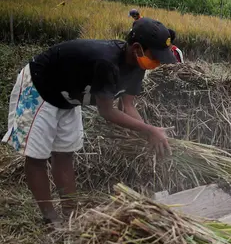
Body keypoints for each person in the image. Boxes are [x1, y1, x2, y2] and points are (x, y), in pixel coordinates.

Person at [3, 17, 176, 226]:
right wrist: (150, 130)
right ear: (137, 48)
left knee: (65, 152)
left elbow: (127, 106)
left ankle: (70, 213)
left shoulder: (138, 66)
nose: (156, 63)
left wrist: (148, 133)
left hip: (69, 98)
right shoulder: (106, 62)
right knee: (37, 155)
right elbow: (107, 111)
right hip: (41, 88)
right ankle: (50, 217)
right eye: (155, 57)